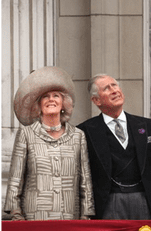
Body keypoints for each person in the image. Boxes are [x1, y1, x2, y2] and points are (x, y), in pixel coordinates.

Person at [4, 66, 95, 220]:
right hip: (35, 218)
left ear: (64, 104)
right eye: (45, 96)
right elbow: (16, 179)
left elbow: (85, 181)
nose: (51, 99)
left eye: (56, 96)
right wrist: (16, 213)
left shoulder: (78, 136)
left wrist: (86, 215)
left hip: (69, 217)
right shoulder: (26, 134)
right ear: (38, 105)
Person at [78, 74, 151, 219]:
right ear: (96, 100)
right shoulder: (85, 130)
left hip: (144, 200)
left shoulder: (146, 125)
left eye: (115, 85)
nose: (114, 90)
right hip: (107, 203)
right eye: (107, 88)